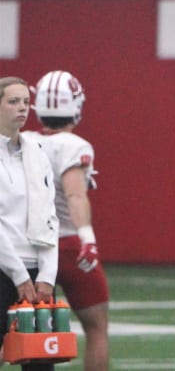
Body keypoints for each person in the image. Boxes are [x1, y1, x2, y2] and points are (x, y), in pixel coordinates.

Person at [24, 71, 110, 371]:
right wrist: (88, 240)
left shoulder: (22, 140)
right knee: (97, 328)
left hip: (28, 247)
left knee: (30, 327)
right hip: (69, 244)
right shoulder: (74, 146)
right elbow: (75, 195)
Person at [0, 76, 59, 371]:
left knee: (40, 363)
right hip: (4, 270)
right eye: (13, 102)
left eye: (25, 101)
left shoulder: (37, 152)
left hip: (37, 276)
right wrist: (19, 274)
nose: (22, 108)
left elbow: (49, 216)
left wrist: (47, 275)